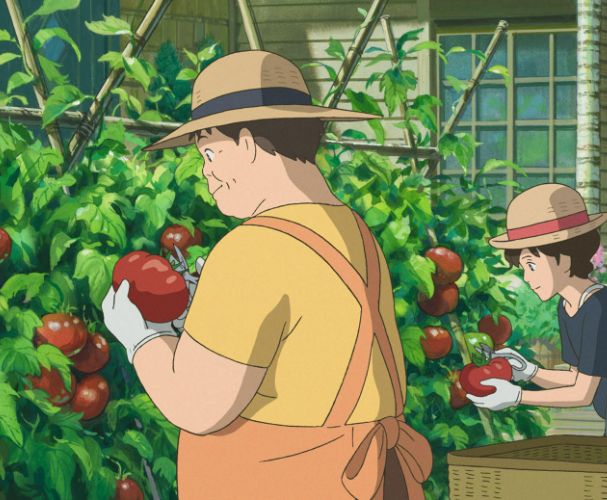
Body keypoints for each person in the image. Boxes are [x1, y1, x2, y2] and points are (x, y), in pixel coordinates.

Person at [101, 50, 432, 499]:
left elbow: (196, 405)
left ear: (248, 143)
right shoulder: (355, 232)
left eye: (211, 153)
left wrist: (139, 336)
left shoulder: (253, 250)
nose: (208, 174)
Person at [465, 183, 607, 439]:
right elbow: (576, 378)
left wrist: (518, 396)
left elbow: (582, 393)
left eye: (531, 265)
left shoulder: (601, 307)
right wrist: (529, 371)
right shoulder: (568, 305)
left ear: (564, 258)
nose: (526, 277)